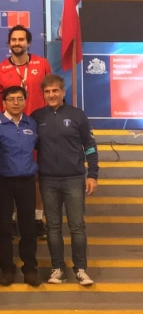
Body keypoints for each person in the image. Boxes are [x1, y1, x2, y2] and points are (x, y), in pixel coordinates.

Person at [32, 74, 99, 286]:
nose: (51, 95)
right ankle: (57, 268)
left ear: (63, 92)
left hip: (74, 180)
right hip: (48, 180)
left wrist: (93, 175)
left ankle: (80, 269)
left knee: (77, 226)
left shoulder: (78, 115)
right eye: (47, 92)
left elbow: (89, 146)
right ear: (43, 94)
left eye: (55, 91)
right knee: (52, 227)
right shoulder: (36, 117)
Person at [0, 25, 52, 239]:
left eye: (21, 39)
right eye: (14, 40)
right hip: (10, 128)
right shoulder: (0, 70)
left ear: (28, 42)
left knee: (35, 174)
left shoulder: (42, 64)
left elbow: (50, 93)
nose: (17, 43)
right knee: (12, 171)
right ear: (9, 43)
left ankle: (36, 219)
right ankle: (11, 220)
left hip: (36, 125)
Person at [0, 86, 40, 287]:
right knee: (3, 227)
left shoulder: (32, 123)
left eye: (20, 98)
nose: (16, 103)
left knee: (28, 227)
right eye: (11, 99)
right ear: (4, 103)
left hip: (27, 181)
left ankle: (29, 268)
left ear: (25, 101)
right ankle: (7, 268)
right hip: (3, 181)